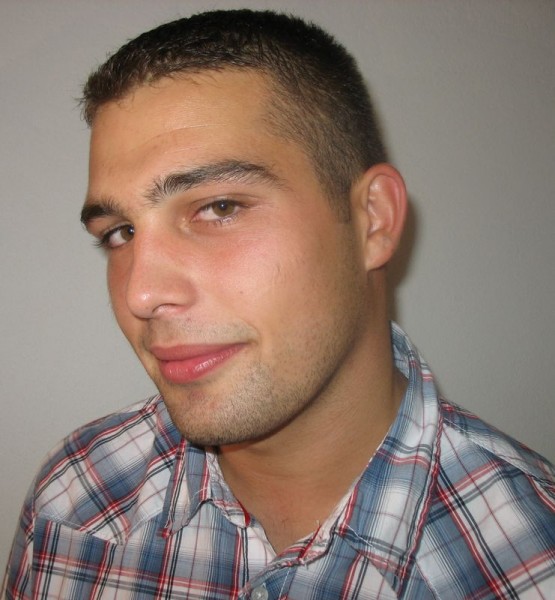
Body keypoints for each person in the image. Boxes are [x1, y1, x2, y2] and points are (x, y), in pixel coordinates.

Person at [2, 9, 554, 599]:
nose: (141, 293)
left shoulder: (532, 562)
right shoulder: (74, 501)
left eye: (219, 208)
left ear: (372, 220)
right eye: (120, 233)